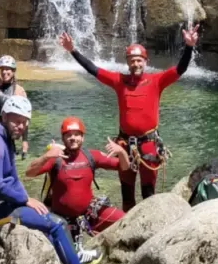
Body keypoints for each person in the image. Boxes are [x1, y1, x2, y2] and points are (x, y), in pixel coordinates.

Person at [0, 93, 120, 264]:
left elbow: (13, 177)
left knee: (52, 225)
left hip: (3, 203)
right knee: (56, 224)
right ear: (4, 117)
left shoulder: (6, 140)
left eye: (24, 122)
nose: (20, 126)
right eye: (16, 120)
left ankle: (74, 262)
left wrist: (25, 198)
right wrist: (24, 199)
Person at [58, 24, 200, 210]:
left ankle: (149, 228)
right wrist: (73, 51)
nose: (136, 64)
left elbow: (179, 70)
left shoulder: (156, 81)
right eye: (132, 60)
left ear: (145, 61)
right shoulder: (119, 81)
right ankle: (126, 230)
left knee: (148, 192)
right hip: (124, 144)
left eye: (139, 60)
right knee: (127, 191)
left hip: (149, 143)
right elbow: (93, 69)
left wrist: (189, 47)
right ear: (127, 62)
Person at [26, 118, 129, 259]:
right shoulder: (55, 159)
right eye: (68, 135)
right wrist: (45, 156)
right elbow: (29, 173)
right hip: (62, 218)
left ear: (83, 137)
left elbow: (124, 167)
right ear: (63, 138)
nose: (73, 138)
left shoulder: (91, 156)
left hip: (89, 213)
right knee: (66, 257)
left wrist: (121, 151)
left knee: (125, 221)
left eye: (77, 134)